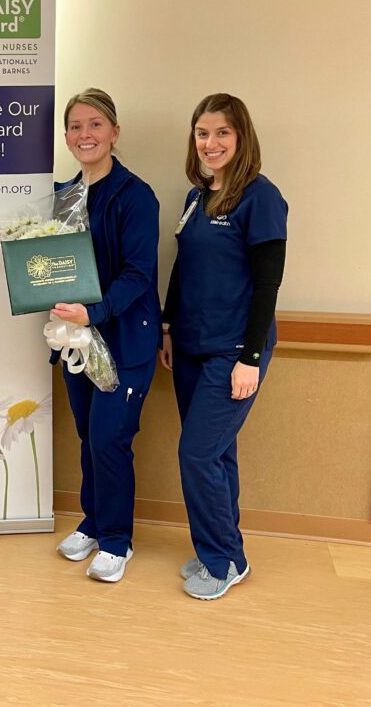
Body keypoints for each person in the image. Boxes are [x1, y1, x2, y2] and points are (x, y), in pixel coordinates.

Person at [159, 93, 288, 600]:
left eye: (221, 134)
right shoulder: (197, 197)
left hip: (233, 350)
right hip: (191, 344)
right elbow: (182, 267)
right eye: (202, 133)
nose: (210, 143)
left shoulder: (262, 198)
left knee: (196, 454)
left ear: (241, 138)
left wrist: (250, 359)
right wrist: (168, 328)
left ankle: (220, 562)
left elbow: (268, 286)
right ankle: (228, 551)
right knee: (216, 455)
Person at [52, 88, 161, 583]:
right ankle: (94, 521)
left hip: (123, 339)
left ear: (114, 133)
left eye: (95, 124)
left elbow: (139, 275)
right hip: (76, 339)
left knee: (110, 438)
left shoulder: (136, 196)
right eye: (75, 126)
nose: (84, 134)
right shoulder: (63, 196)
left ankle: (117, 540)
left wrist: (91, 312)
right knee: (87, 435)